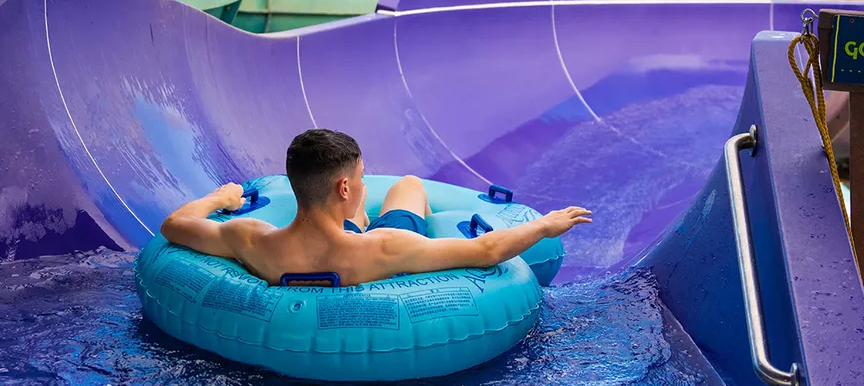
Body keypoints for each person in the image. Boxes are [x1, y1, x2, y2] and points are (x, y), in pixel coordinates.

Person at [160, 129, 592, 287]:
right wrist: (546, 225)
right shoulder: (386, 247)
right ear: (345, 186)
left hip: (319, 236)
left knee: (364, 214)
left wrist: (220, 198)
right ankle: (356, 218)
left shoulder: (250, 239)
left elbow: (175, 224)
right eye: (363, 178)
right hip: (357, 248)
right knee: (407, 186)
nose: (365, 183)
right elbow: (488, 251)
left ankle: (353, 219)